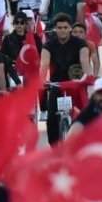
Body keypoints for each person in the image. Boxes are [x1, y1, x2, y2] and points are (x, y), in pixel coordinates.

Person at [39, 13, 90, 144]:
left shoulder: (81, 44)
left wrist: (87, 78)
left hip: (76, 85)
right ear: (55, 29)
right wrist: (42, 80)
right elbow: (44, 65)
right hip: (57, 85)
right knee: (51, 120)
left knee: (85, 117)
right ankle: (55, 149)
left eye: (65, 27)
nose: (62, 30)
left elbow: (85, 62)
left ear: (70, 28)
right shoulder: (48, 45)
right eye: (59, 27)